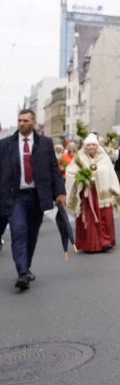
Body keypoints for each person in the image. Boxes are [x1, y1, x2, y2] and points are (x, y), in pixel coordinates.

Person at [0, 109, 66, 291]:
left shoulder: (45, 143)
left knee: (31, 236)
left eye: (25, 121)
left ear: (33, 122)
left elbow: (54, 169)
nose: (22, 124)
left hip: (37, 196)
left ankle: (26, 266)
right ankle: (22, 273)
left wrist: (60, 192)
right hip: (15, 197)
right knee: (18, 232)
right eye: (19, 120)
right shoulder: (5, 145)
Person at [65, 134, 120, 253]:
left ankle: (105, 241)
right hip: (87, 194)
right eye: (88, 145)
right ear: (85, 146)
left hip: (103, 194)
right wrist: (81, 179)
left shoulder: (104, 158)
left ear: (97, 146)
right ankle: (91, 244)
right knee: (90, 219)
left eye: (93, 145)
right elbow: (70, 172)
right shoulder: (79, 158)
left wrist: (114, 191)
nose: (91, 147)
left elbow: (111, 174)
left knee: (104, 217)